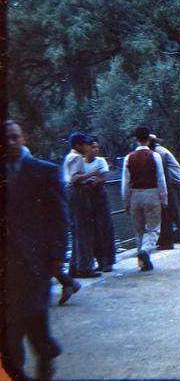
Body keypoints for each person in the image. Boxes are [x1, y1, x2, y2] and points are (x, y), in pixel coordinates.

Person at [4, 120, 69, 380]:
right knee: (10, 328)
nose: (8, 143)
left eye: (13, 137)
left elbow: (59, 217)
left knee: (34, 317)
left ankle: (45, 352)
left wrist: (57, 256)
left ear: (23, 138)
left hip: (34, 261)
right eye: (3, 138)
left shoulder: (44, 171)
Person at [121, 126, 168, 271]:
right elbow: (161, 179)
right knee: (153, 228)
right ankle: (145, 251)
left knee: (139, 229)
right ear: (149, 139)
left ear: (135, 139)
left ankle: (141, 263)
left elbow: (125, 182)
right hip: (152, 193)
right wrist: (164, 198)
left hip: (135, 194)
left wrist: (126, 201)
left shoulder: (128, 158)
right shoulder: (155, 156)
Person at [63, 131, 101, 278]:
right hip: (78, 193)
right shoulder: (77, 158)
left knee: (76, 231)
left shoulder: (69, 157)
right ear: (78, 145)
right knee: (84, 230)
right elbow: (74, 178)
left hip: (71, 193)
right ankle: (85, 267)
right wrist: (91, 174)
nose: (88, 146)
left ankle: (74, 266)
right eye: (85, 144)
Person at [150, 134, 180, 247]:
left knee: (174, 211)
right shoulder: (161, 150)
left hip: (174, 183)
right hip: (178, 182)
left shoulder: (158, 153)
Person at [81, 138, 115, 272]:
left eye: (97, 148)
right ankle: (99, 261)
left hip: (99, 197)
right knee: (92, 229)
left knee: (105, 228)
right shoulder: (81, 163)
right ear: (86, 149)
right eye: (93, 147)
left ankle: (108, 261)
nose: (96, 150)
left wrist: (88, 181)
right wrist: (91, 179)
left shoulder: (100, 161)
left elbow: (103, 178)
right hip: (87, 199)